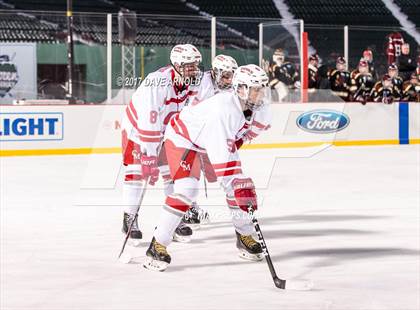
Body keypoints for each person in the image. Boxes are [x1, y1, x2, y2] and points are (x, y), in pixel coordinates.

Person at [143, 64, 270, 271]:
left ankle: (244, 235)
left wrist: (238, 183)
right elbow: (225, 168)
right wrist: (239, 185)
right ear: (241, 89)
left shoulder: (258, 107)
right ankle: (157, 244)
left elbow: (247, 132)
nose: (262, 94)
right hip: (183, 139)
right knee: (188, 190)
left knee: (236, 187)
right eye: (256, 88)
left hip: (209, 138)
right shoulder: (222, 112)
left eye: (263, 88)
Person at [120, 43, 202, 245]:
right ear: (177, 65)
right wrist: (148, 156)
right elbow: (149, 122)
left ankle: (174, 221)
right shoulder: (157, 82)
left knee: (174, 175)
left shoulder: (192, 82)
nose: (194, 69)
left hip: (166, 130)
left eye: (196, 65)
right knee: (136, 174)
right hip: (137, 130)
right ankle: (129, 218)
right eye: (189, 65)